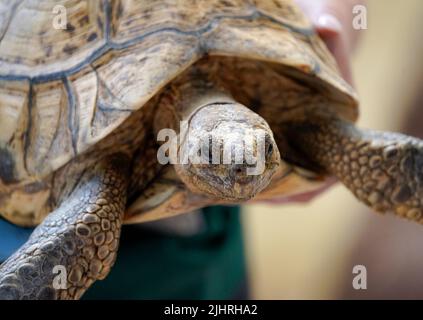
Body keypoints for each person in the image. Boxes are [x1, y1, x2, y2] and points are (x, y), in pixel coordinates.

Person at [0, 0, 362, 299]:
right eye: (217, 156)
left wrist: (331, 14)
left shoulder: (275, 101)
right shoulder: (101, 176)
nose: (245, 173)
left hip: (204, 272)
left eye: (261, 151)